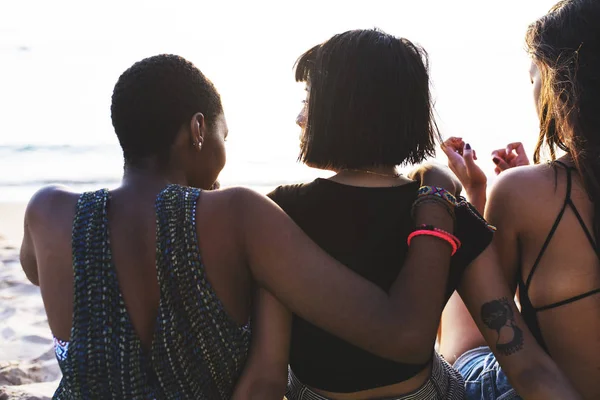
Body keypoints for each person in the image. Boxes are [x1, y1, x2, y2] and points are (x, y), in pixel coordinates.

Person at [19, 54, 467, 400]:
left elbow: (48, 276)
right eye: (223, 135)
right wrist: (437, 193)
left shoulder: (47, 214)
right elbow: (404, 335)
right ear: (198, 129)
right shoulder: (236, 215)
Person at [233, 29, 580, 400]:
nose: (299, 118)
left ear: (342, 109)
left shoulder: (281, 214)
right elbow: (526, 365)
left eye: (308, 100)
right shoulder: (450, 214)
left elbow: (267, 375)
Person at [440, 1, 600, 399]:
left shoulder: (521, 192)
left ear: (562, 85)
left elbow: (496, 324)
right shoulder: (532, 191)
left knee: (464, 354)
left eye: (534, 77)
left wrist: (481, 197)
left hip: (551, 388)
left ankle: (471, 200)